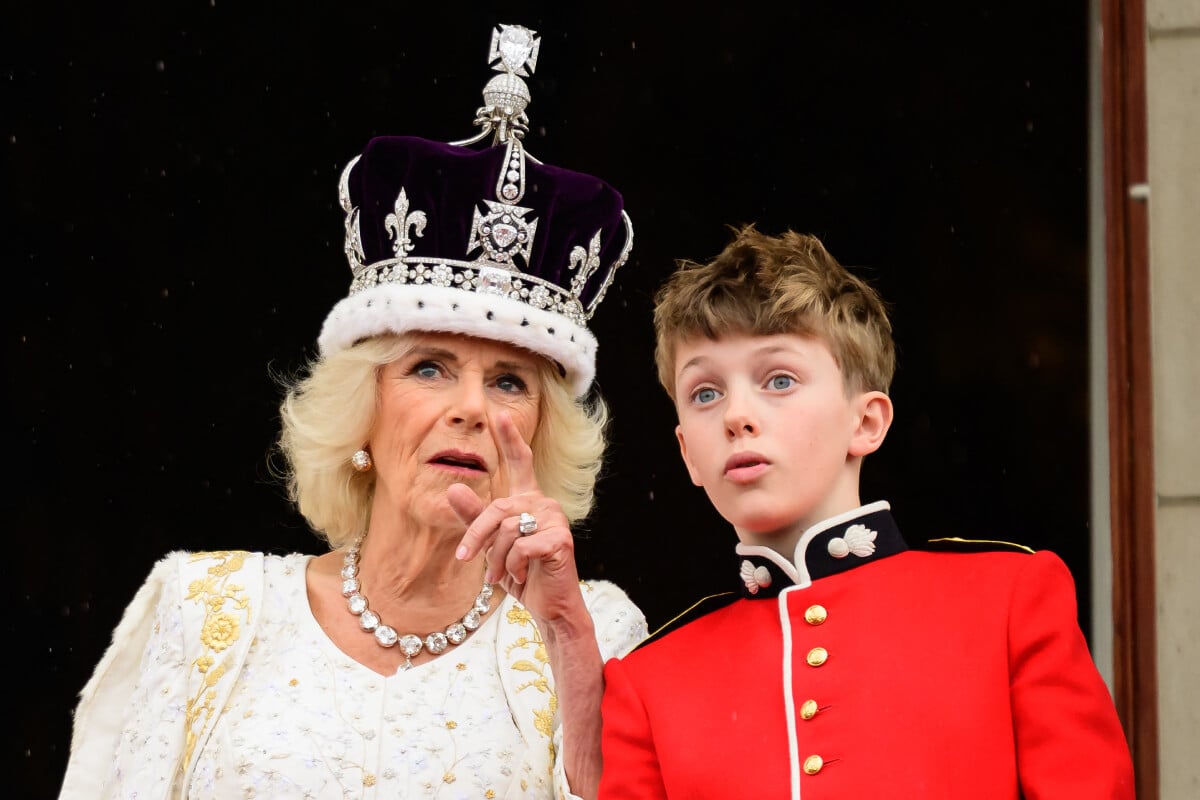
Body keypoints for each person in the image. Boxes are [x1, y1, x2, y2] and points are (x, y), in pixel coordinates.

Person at [59, 23, 646, 800]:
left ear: (544, 427)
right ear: (361, 408)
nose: (471, 408)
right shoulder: (204, 611)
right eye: (429, 368)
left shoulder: (592, 628)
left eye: (510, 382)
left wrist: (564, 633)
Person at [596, 224, 1135, 798]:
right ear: (687, 455)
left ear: (867, 422)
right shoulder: (649, 682)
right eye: (705, 392)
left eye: (778, 379)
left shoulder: (1008, 601)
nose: (736, 415)